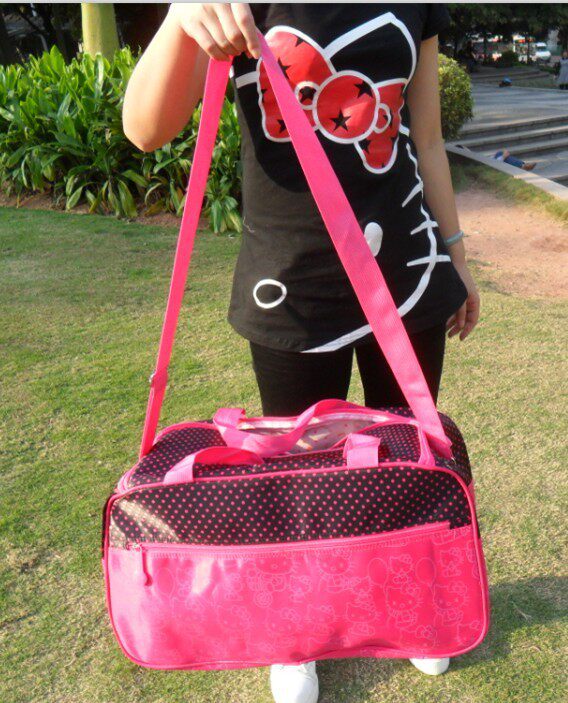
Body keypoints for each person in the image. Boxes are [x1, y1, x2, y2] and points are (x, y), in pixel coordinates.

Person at [123, 4, 480, 702]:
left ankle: (407, 603)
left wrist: (457, 256)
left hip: (405, 274)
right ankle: (300, 631)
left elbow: (428, 140)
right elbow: (145, 129)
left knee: (405, 457)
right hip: (289, 285)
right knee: (297, 475)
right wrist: (182, 14)